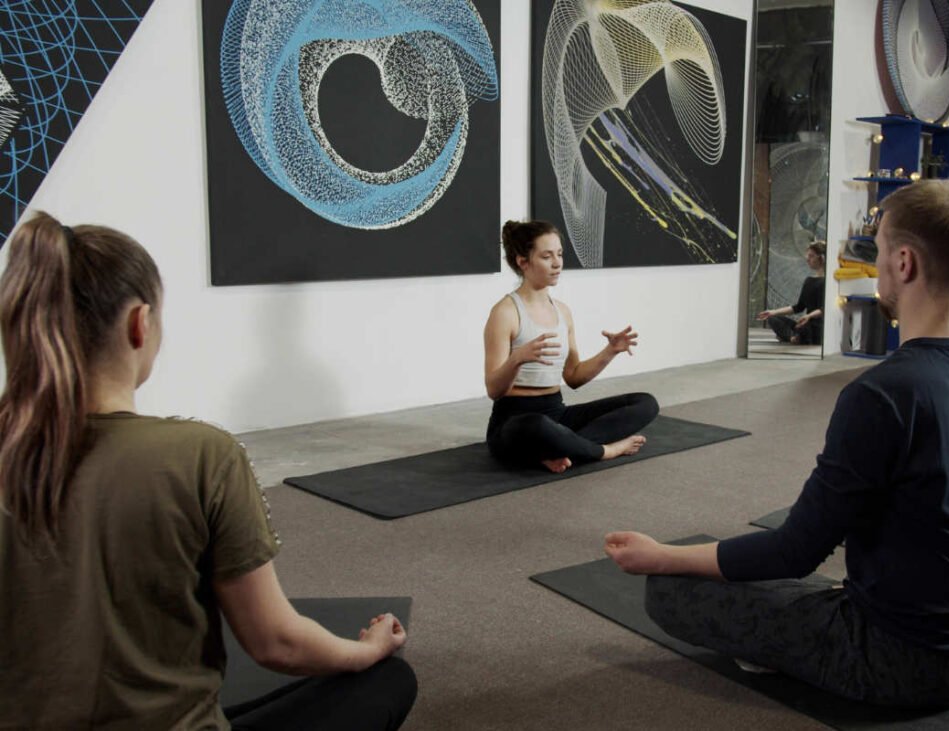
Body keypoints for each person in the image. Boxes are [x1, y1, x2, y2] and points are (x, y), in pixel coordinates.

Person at [605, 180, 949, 708]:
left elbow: (795, 552)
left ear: (904, 263)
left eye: (877, 254)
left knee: (671, 589)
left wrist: (662, 555)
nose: (875, 268)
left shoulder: (883, 392)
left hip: (907, 662)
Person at [0, 214, 416, 730]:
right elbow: (275, 644)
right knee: (388, 680)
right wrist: (368, 650)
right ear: (140, 324)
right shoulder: (202, 455)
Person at [484, 220, 659, 473]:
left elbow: (574, 376)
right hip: (515, 421)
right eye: (546, 256)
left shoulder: (563, 312)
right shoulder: (505, 313)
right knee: (538, 427)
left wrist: (610, 351)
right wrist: (517, 359)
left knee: (645, 403)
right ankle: (604, 450)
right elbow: (494, 390)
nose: (557, 263)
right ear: (523, 261)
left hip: (558, 415)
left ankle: (558, 448)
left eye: (559, 254)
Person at [755, 241, 826, 345]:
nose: (807, 259)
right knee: (773, 319)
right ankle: (793, 337)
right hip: (805, 323)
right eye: (808, 255)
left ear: (822, 258)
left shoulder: (828, 282)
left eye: (811, 256)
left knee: (806, 327)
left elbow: (824, 309)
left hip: (817, 326)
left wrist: (809, 316)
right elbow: (798, 307)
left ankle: (794, 336)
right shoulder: (809, 280)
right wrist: (773, 312)